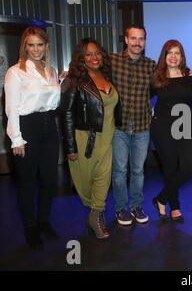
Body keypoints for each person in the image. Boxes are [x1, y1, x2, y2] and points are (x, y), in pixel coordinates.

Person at [4, 26, 60, 249]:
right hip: (27, 129)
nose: (36, 49)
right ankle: (30, 227)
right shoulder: (15, 72)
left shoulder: (52, 70)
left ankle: (44, 221)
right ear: (24, 47)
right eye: (31, 45)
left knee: (48, 180)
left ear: (46, 46)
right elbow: (11, 108)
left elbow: (52, 102)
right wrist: (16, 138)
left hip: (49, 127)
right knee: (27, 182)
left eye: (40, 45)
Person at [60, 38, 119, 239]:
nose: (94, 58)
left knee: (103, 179)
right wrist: (70, 147)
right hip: (84, 139)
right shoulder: (73, 81)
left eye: (97, 53)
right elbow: (66, 113)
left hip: (108, 139)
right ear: (81, 58)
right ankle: (93, 210)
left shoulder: (108, 76)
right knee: (85, 183)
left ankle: (96, 215)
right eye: (88, 54)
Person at [110, 25, 156, 225]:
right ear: (126, 40)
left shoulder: (151, 65)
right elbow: (89, 66)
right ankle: (121, 209)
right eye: (134, 38)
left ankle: (136, 206)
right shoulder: (112, 61)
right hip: (118, 127)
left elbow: (172, 75)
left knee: (138, 171)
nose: (138, 43)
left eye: (142, 39)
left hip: (142, 126)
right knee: (120, 171)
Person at [150, 40, 192, 222]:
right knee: (170, 168)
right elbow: (141, 98)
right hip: (162, 127)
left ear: (182, 56)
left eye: (177, 53)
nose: (174, 56)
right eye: (170, 52)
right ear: (164, 56)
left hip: (185, 125)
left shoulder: (190, 77)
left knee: (189, 167)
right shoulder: (157, 78)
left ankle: (161, 198)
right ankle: (174, 207)